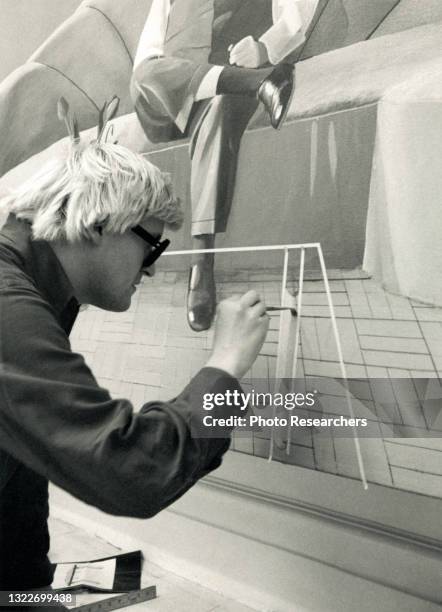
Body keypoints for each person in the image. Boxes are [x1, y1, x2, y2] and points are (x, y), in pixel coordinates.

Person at [0, 136, 269, 592]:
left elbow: (20, 469)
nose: (153, 269)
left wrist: (28, 592)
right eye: (153, 246)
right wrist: (225, 365)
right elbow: (130, 470)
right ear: (100, 223)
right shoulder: (8, 302)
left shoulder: (33, 284)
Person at [131, 0, 320, 331]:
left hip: (223, 94)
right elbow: (148, 60)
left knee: (219, 111)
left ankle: (202, 264)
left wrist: (264, 47)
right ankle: (261, 83)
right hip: (170, 100)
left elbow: (296, 17)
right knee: (147, 72)